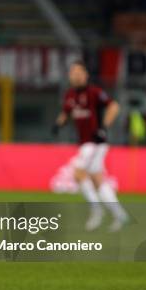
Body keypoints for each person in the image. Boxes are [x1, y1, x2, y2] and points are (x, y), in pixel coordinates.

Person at [52, 60, 128, 232]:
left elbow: (114, 106)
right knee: (97, 179)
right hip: (85, 143)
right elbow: (66, 112)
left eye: (79, 72)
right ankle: (120, 215)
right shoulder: (70, 95)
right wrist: (58, 124)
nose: (76, 76)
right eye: (73, 73)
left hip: (95, 142)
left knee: (78, 173)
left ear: (86, 75)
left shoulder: (95, 92)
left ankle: (96, 210)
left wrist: (103, 127)